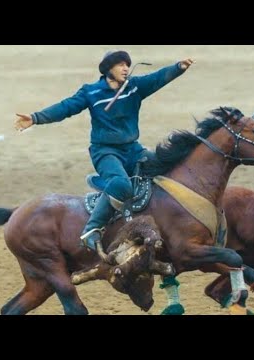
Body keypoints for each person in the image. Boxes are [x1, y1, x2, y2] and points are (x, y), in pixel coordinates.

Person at [14, 49, 195, 253]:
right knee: (120, 184)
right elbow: (65, 107)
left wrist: (178, 68)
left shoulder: (134, 87)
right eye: (120, 65)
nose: (126, 68)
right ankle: (91, 230)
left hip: (133, 150)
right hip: (105, 152)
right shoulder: (90, 92)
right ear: (108, 69)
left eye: (127, 65)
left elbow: (157, 78)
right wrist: (36, 118)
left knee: (166, 165)